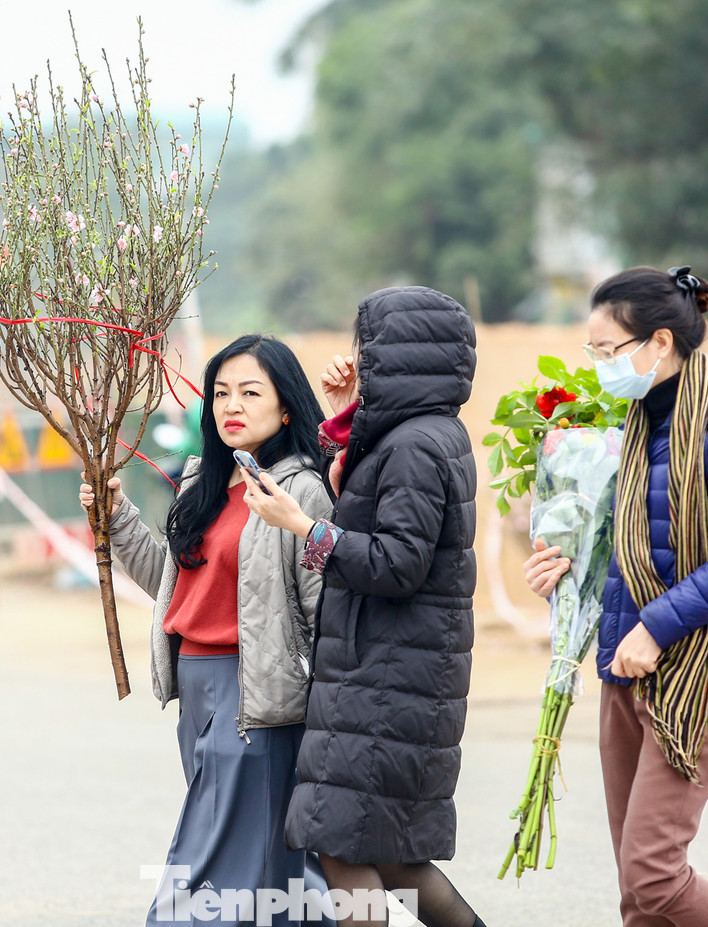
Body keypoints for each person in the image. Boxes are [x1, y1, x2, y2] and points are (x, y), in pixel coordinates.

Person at [525, 266, 708, 926]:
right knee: (636, 894)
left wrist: (657, 626)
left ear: (660, 342)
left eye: (608, 350)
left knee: (654, 874)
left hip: (693, 670)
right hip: (624, 667)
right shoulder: (634, 429)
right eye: (593, 351)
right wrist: (563, 569)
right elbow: (629, 548)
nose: (600, 365)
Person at [240, 286, 488, 927]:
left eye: (368, 348)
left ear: (400, 356)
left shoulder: (414, 446)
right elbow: (368, 504)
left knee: (338, 839)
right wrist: (346, 412)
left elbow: (395, 564)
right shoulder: (424, 434)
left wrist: (303, 526)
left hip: (385, 678)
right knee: (393, 856)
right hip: (392, 673)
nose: (359, 359)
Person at [79, 334, 334, 926]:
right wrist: (115, 519)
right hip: (195, 690)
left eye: (250, 392)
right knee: (269, 868)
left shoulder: (298, 491)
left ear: (286, 407)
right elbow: (176, 585)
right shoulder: (207, 482)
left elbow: (323, 610)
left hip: (256, 698)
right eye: (220, 393)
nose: (231, 406)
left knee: (208, 872)